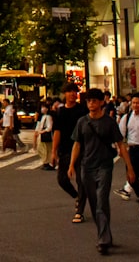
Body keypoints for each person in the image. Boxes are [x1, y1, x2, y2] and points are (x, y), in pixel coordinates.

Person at [68, 88, 135, 256]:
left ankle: (103, 240)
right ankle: (105, 235)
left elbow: (121, 145)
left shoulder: (109, 122)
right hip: (86, 167)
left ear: (101, 103)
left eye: (94, 101)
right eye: (89, 101)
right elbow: (76, 144)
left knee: (101, 201)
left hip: (104, 166)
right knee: (94, 203)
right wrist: (71, 165)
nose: (91, 103)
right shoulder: (82, 122)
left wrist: (130, 168)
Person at [52, 82, 89, 223]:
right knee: (62, 179)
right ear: (65, 94)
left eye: (75, 92)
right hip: (65, 150)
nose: (73, 94)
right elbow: (57, 132)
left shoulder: (82, 110)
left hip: (81, 149)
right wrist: (54, 152)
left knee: (81, 180)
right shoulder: (60, 112)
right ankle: (77, 196)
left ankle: (80, 211)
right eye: (70, 92)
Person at [32, 104, 54, 170]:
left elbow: (49, 127)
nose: (42, 109)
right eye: (42, 107)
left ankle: (48, 163)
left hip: (47, 136)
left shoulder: (48, 117)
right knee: (44, 150)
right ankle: (47, 163)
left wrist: (42, 131)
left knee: (46, 150)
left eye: (43, 107)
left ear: (47, 109)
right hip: (43, 136)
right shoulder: (43, 116)